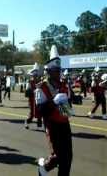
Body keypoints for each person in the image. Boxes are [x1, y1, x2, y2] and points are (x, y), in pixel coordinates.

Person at [36, 45, 73, 176]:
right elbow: (40, 111)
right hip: (52, 124)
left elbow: (68, 103)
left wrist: (72, 100)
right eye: (55, 70)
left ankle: (46, 169)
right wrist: (53, 101)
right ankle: (44, 168)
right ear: (49, 71)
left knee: (68, 158)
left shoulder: (64, 84)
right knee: (58, 156)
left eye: (59, 70)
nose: (58, 72)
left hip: (64, 122)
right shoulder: (42, 87)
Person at [24, 63, 43, 130]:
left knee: (39, 113)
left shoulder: (40, 81)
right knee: (32, 113)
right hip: (32, 100)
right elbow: (27, 92)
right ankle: (26, 122)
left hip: (39, 100)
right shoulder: (29, 82)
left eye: (36, 75)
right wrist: (33, 91)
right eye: (34, 75)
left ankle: (39, 126)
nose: (35, 76)